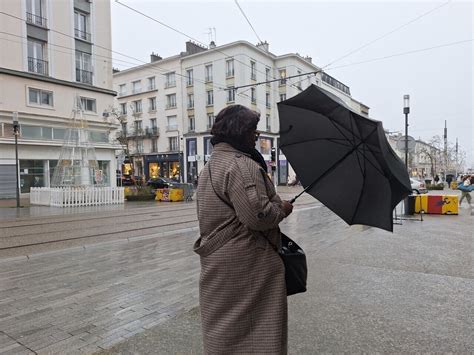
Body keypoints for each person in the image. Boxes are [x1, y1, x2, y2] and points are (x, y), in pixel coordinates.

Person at [194, 105, 293, 354]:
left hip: (221, 261)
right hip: (247, 262)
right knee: (256, 330)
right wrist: (281, 208)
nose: (255, 137)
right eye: (253, 131)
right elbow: (258, 216)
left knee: (224, 325)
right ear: (240, 132)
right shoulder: (240, 165)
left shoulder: (213, 163)